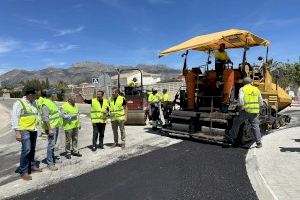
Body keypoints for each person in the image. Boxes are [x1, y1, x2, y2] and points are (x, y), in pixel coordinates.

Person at [11, 87, 43, 181]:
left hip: (33, 129)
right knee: (26, 149)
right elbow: (14, 117)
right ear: (29, 95)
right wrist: (17, 132)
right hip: (24, 129)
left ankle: (32, 166)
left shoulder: (34, 103)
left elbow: (36, 115)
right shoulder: (19, 103)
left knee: (32, 149)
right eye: (34, 95)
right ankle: (24, 171)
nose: (36, 97)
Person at [227, 77, 263, 148]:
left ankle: (232, 137)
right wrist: (257, 107)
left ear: (243, 83)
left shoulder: (242, 89)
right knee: (256, 126)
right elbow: (261, 101)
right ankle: (259, 143)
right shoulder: (256, 89)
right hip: (255, 111)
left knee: (236, 122)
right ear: (251, 82)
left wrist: (241, 107)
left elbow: (240, 100)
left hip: (245, 111)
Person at [41, 89, 62, 171]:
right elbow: (45, 118)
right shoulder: (45, 104)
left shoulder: (53, 103)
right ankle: (50, 163)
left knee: (54, 144)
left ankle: (52, 158)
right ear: (51, 95)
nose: (57, 95)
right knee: (51, 145)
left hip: (56, 126)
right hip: (51, 127)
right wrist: (49, 129)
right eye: (56, 94)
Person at [61, 94, 82, 159]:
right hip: (68, 126)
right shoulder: (64, 106)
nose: (75, 100)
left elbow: (78, 115)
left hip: (75, 125)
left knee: (75, 139)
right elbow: (63, 116)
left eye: (75, 98)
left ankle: (75, 151)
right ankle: (68, 152)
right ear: (69, 99)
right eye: (74, 99)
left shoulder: (75, 105)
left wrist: (79, 124)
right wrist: (73, 115)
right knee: (68, 140)